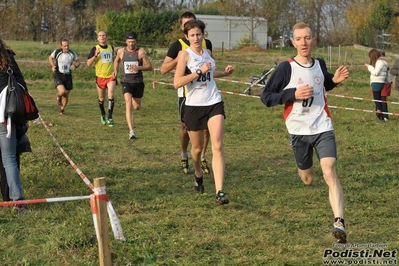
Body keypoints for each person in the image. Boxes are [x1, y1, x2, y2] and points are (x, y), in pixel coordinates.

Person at [260, 22, 349, 243]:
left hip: (322, 125)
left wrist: (334, 81)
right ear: (293, 42)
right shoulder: (285, 68)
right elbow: (266, 96)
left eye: (307, 38)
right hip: (298, 129)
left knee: (329, 171)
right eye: (299, 39)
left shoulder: (320, 63)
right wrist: (292, 93)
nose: (303, 43)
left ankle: (339, 222)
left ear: (314, 40)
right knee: (308, 178)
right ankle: (305, 172)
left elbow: (323, 82)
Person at [173, 19, 234, 205]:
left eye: (198, 34)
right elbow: (177, 82)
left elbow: (211, 72)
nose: (196, 38)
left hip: (214, 102)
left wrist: (224, 73)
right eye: (192, 35)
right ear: (186, 37)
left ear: (203, 34)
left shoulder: (207, 52)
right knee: (197, 150)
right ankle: (198, 173)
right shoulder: (184, 55)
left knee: (217, 145)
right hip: (193, 106)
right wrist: (198, 72)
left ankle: (220, 192)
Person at [160, 11, 211, 175]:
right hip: (186, 94)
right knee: (186, 127)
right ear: (183, 29)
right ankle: (184, 155)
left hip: (206, 93)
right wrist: (181, 58)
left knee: (207, 129)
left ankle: (202, 156)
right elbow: (163, 70)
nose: (194, 35)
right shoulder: (177, 46)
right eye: (186, 24)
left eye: (193, 23)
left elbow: (210, 67)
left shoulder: (206, 43)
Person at [0, 38, 29, 212]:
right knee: (9, 159)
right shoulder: (9, 60)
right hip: (6, 118)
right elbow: (22, 87)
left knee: (9, 159)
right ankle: (18, 202)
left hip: (5, 119)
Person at [113, 31, 152, 139]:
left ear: (136, 42)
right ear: (126, 41)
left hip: (138, 82)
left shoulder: (140, 52)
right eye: (129, 42)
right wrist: (115, 70)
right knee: (128, 103)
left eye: (133, 42)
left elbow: (149, 66)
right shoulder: (121, 52)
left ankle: (132, 123)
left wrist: (139, 68)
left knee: (137, 106)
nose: (131, 44)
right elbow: (116, 61)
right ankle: (131, 131)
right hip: (126, 81)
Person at [87, 30, 117, 127]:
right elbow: (88, 64)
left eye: (104, 35)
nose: (102, 37)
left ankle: (110, 117)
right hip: (100, 77)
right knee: (101, 98)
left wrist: (115, 69)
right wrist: (95, 55)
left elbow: (114, 60)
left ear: (106, 37)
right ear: (98, 38)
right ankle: (103, 114)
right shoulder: (95, 48)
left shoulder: (111, 48)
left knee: (111, 95)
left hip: (110, 76)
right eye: (100, 36)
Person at [1, 124, 31, 208]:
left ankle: (10, 200)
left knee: (9, 161)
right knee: (9, 160)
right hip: (5, 123)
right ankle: (17, 201)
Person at [48, 38, 80, 115]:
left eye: (67, 46)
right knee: (62, 91)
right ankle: (58, 97)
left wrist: (75, 66)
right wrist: (53, 66)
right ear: (61, 46)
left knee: (66, 95)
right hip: (59, 74)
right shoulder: (57, 52)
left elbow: (78, 62)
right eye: (65, 46)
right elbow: (50, 58)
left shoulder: (72, 53)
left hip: (68, 76)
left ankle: (62, 110)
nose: (66, 47)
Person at [365, 49, 390, 121]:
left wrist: (369, 67)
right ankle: (382, 117)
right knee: (378, 100)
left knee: (377, 101)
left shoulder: (379, 62)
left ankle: (383, 116)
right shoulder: (383, 62)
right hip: (380, 82)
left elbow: (376, 73)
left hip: (377, 82)